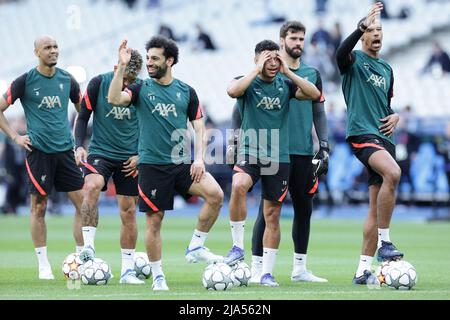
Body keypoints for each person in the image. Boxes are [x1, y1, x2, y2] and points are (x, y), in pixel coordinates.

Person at [108, 37, 224, 291]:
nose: (149, 63)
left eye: (154, 58)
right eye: (148, 58)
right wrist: (122, 66)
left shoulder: (186, 91)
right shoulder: (140, 89)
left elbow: (199, 126)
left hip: (182, 165)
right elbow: (114, 98)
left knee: (216, 195)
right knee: (155, 221)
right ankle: (158, 276)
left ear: (169, 61)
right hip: (152, 166)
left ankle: (195, 246)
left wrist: (200, 158)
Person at [224, 39, 320, 287]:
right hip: (250, 150)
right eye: (268, 58)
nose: (273, 63)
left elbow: (314, 94)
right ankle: (237, 245)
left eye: (276, 58)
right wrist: (257, 68)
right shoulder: (247, 81)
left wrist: (288, 72)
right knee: (238, 185)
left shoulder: (285, 85)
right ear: (256, 60)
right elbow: (232, 91)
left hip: (278, 156)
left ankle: (266, 273)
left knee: (272, 215)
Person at [248, 21, 329, 284]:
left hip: (304, 151)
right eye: (293, 38)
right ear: (281, 41)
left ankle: (299, 268)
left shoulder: (311, 73)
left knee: (305, 208)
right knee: (267, 209)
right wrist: (236, 142)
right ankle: (257, 268)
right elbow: (241, 106)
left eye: (301, 39)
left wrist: (324, 145)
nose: (298, 43)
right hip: (273, 150)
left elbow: (318, 109)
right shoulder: (269, 71)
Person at [0, 35, 84, 280]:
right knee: (39, 206)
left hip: (66, 152)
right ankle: (43, 265)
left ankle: (83, 258)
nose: (53, 51)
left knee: (84, 204)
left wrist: (78, 142)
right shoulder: (25, 81)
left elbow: (83, 112)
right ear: (37, 52)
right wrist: (16, 137)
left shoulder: (67, 80)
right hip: (38, 153)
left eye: (56, 46)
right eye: (47, 48)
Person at [335, 2, 404, 285]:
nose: (376, 34)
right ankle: (385, 244)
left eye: (380, 30)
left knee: (373, 207)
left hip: (385, 139)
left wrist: (395, 116)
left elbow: (385, 106)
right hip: (363, 135)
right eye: (371, 30)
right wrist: (359, 26)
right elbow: (339, 54)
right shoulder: (352, 61)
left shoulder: (386, 68)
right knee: (394, 173)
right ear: (363, 35)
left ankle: (362, 271)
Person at [74, 50, 145, 284]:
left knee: (128, 211)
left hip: (130, 158)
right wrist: (78, 146)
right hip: (101, 152)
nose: (128, 83)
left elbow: (150, 125)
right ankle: (89, 247)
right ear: (119, 66)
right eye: (126, 77)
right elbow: (83, 116)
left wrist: (140, 154)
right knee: (91, 186)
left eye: (133, 79)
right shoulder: (98, 83)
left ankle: (127, 271)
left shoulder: (142, 89)